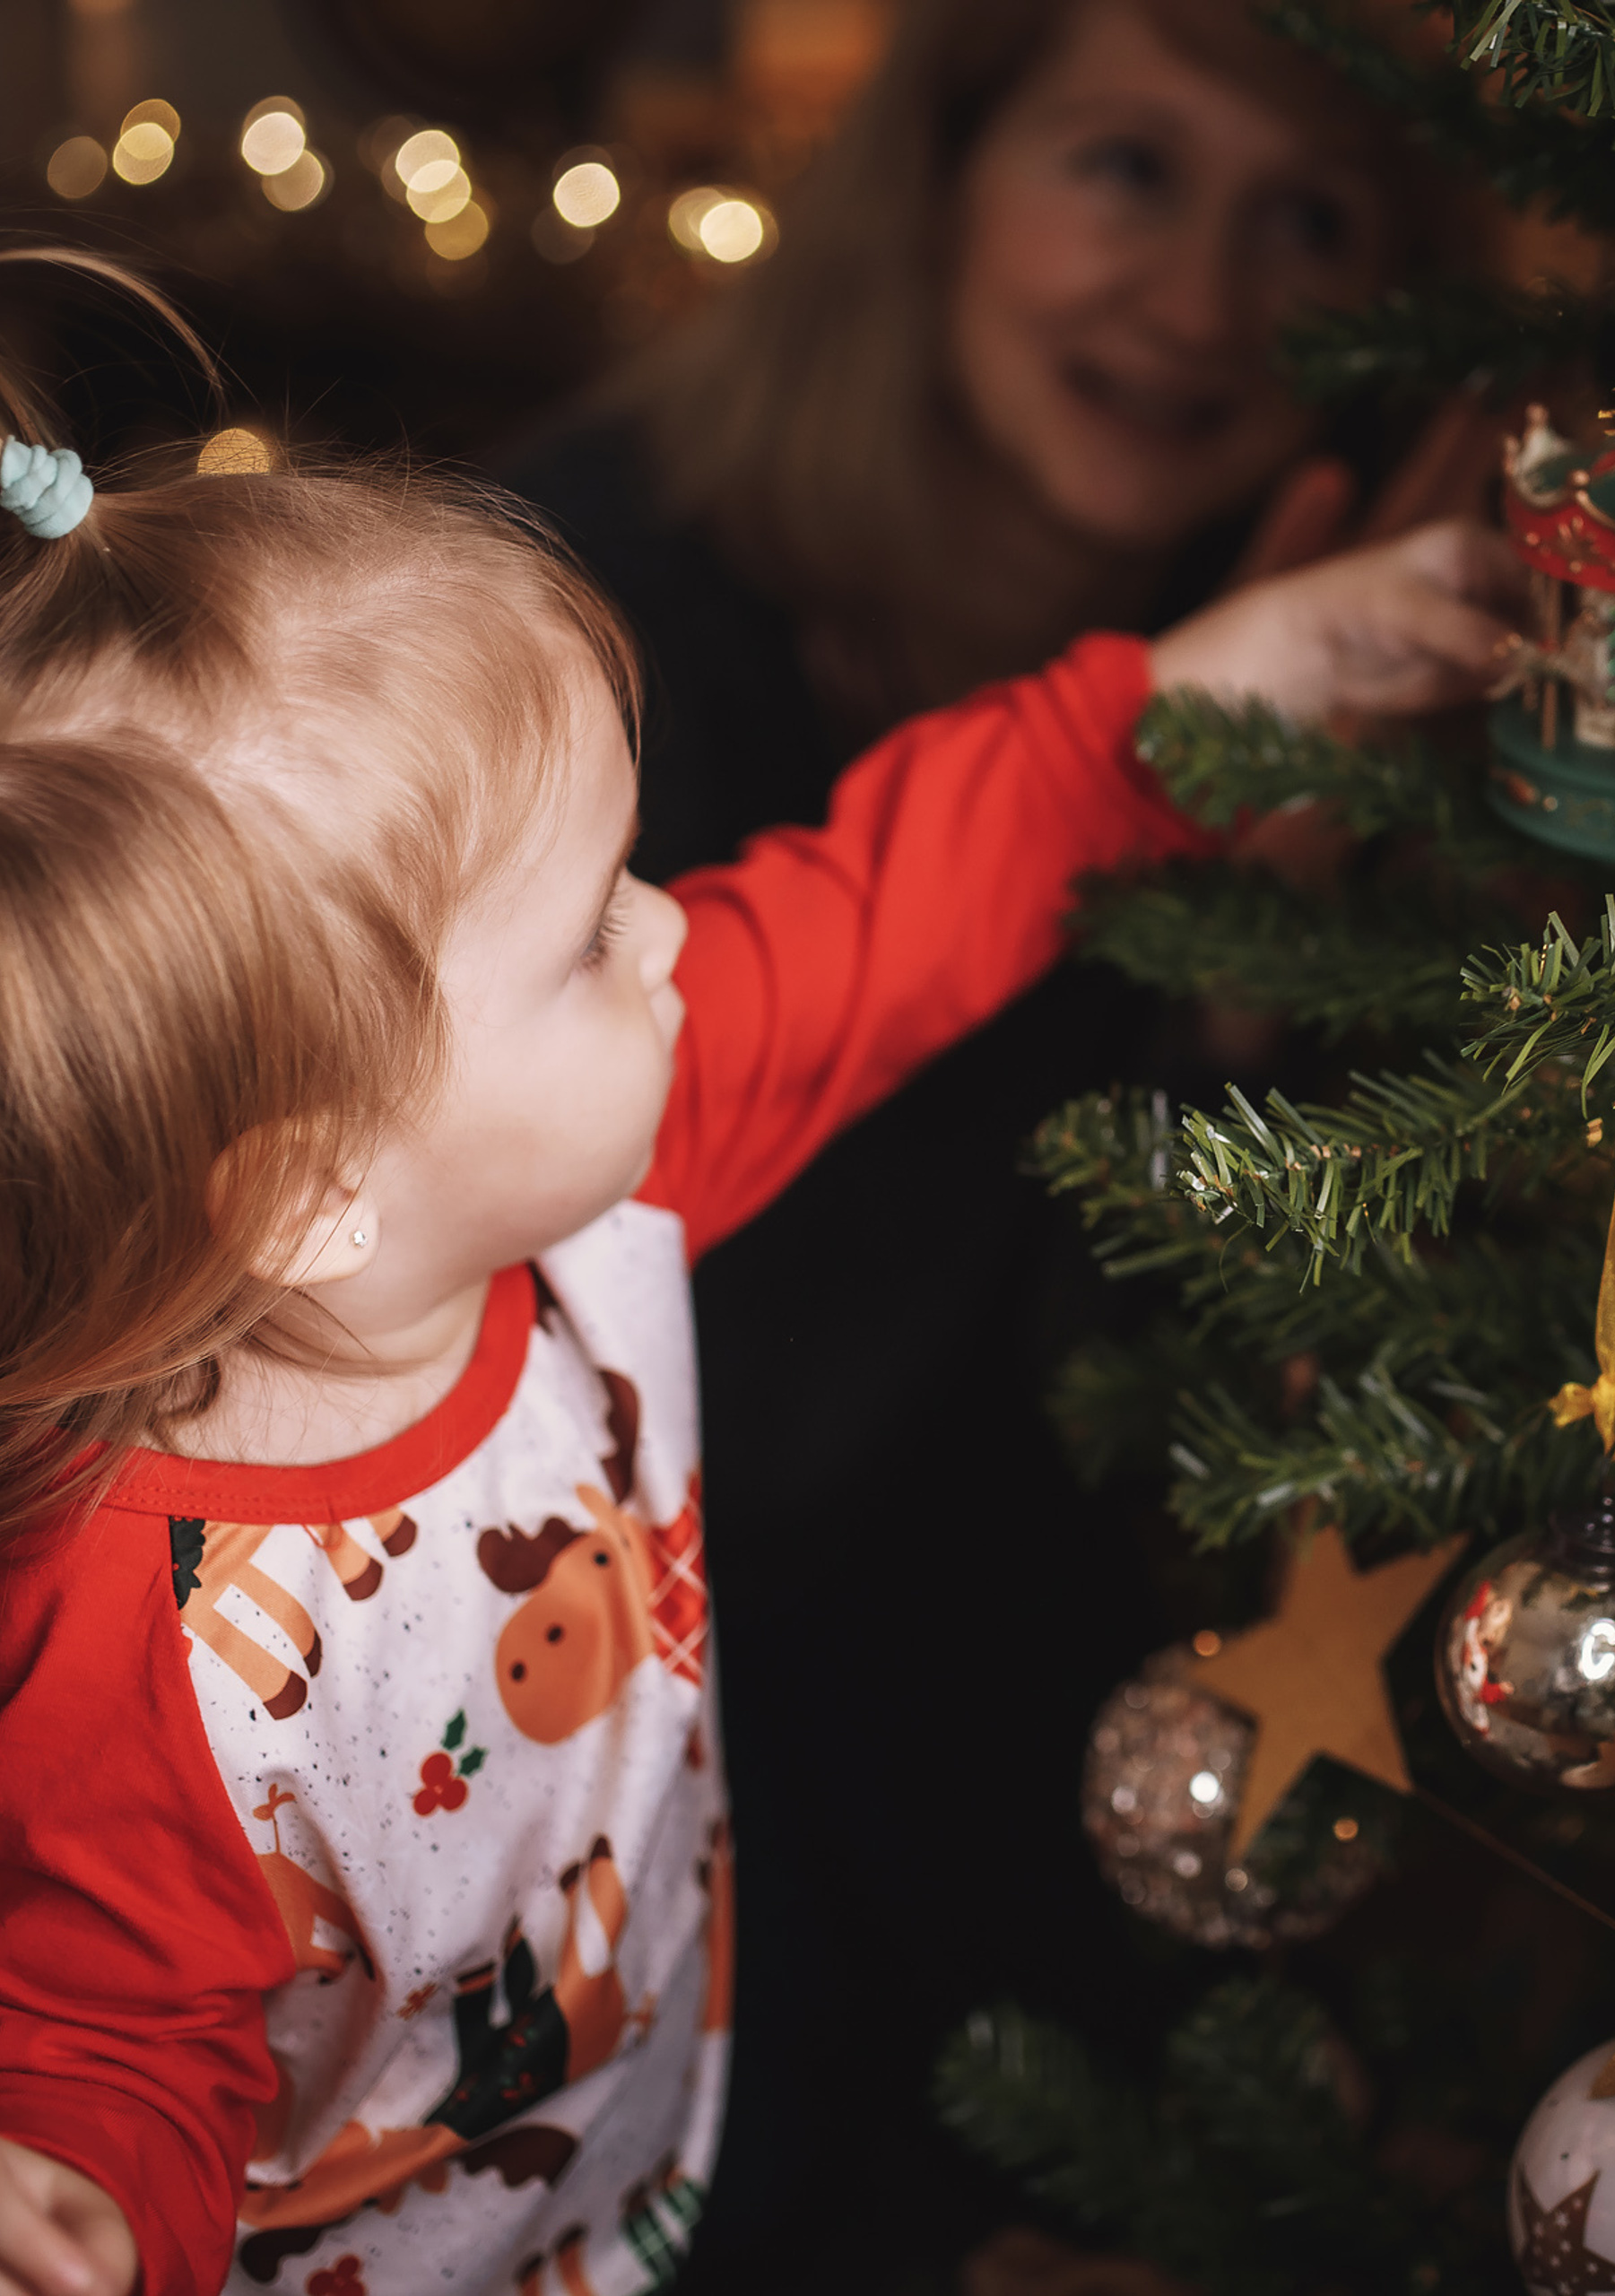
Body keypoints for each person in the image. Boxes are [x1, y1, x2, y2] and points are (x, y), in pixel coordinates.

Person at [0, 297, 1518, 2296]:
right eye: (580, 932)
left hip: (652, 2085)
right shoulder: (128, 1651)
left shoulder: (567, 1171)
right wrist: (85, 2205)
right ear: (312, 1183)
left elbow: (887, 903)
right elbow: (111, 2049)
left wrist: (1210, 683)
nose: (666, 927)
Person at [504, 6, 1500, 2255]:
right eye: (1128, 168)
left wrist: (1252, 982)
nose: (1203, 299)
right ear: (937, 178)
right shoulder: (572, 631)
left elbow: (1175, 1459)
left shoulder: (1310, 657)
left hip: (978, 1775)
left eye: (1312, 219)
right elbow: (727, 1406)